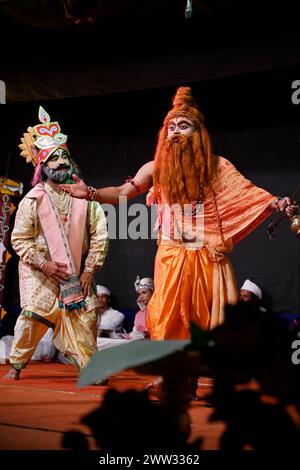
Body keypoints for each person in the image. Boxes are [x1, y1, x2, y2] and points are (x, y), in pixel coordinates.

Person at [60, 87, 297, 340]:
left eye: (183, 126)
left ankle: (190, 373)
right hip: (171, 253)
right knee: (166, 313)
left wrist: (276, 203)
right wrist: (92, 193)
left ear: (198, 133)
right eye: (171, 127)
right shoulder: (156, 169)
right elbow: (123, 191)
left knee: (202, 318)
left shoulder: (217, 167)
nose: (175, 131)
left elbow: (246, 194)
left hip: (206, 253)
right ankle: (167, 375)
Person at [3, 106, 108, 380]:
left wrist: (89, 270)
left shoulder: (85, 197)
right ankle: (16, 364)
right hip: (41, 274)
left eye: (64, 157)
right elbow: (20, 240)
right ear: (43, 166)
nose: (61, 162)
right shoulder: (32, 199)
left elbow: (99, 235)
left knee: (85, 319)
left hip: (77, 274)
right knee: (32, 320)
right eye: (53, 159)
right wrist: (44, 264)